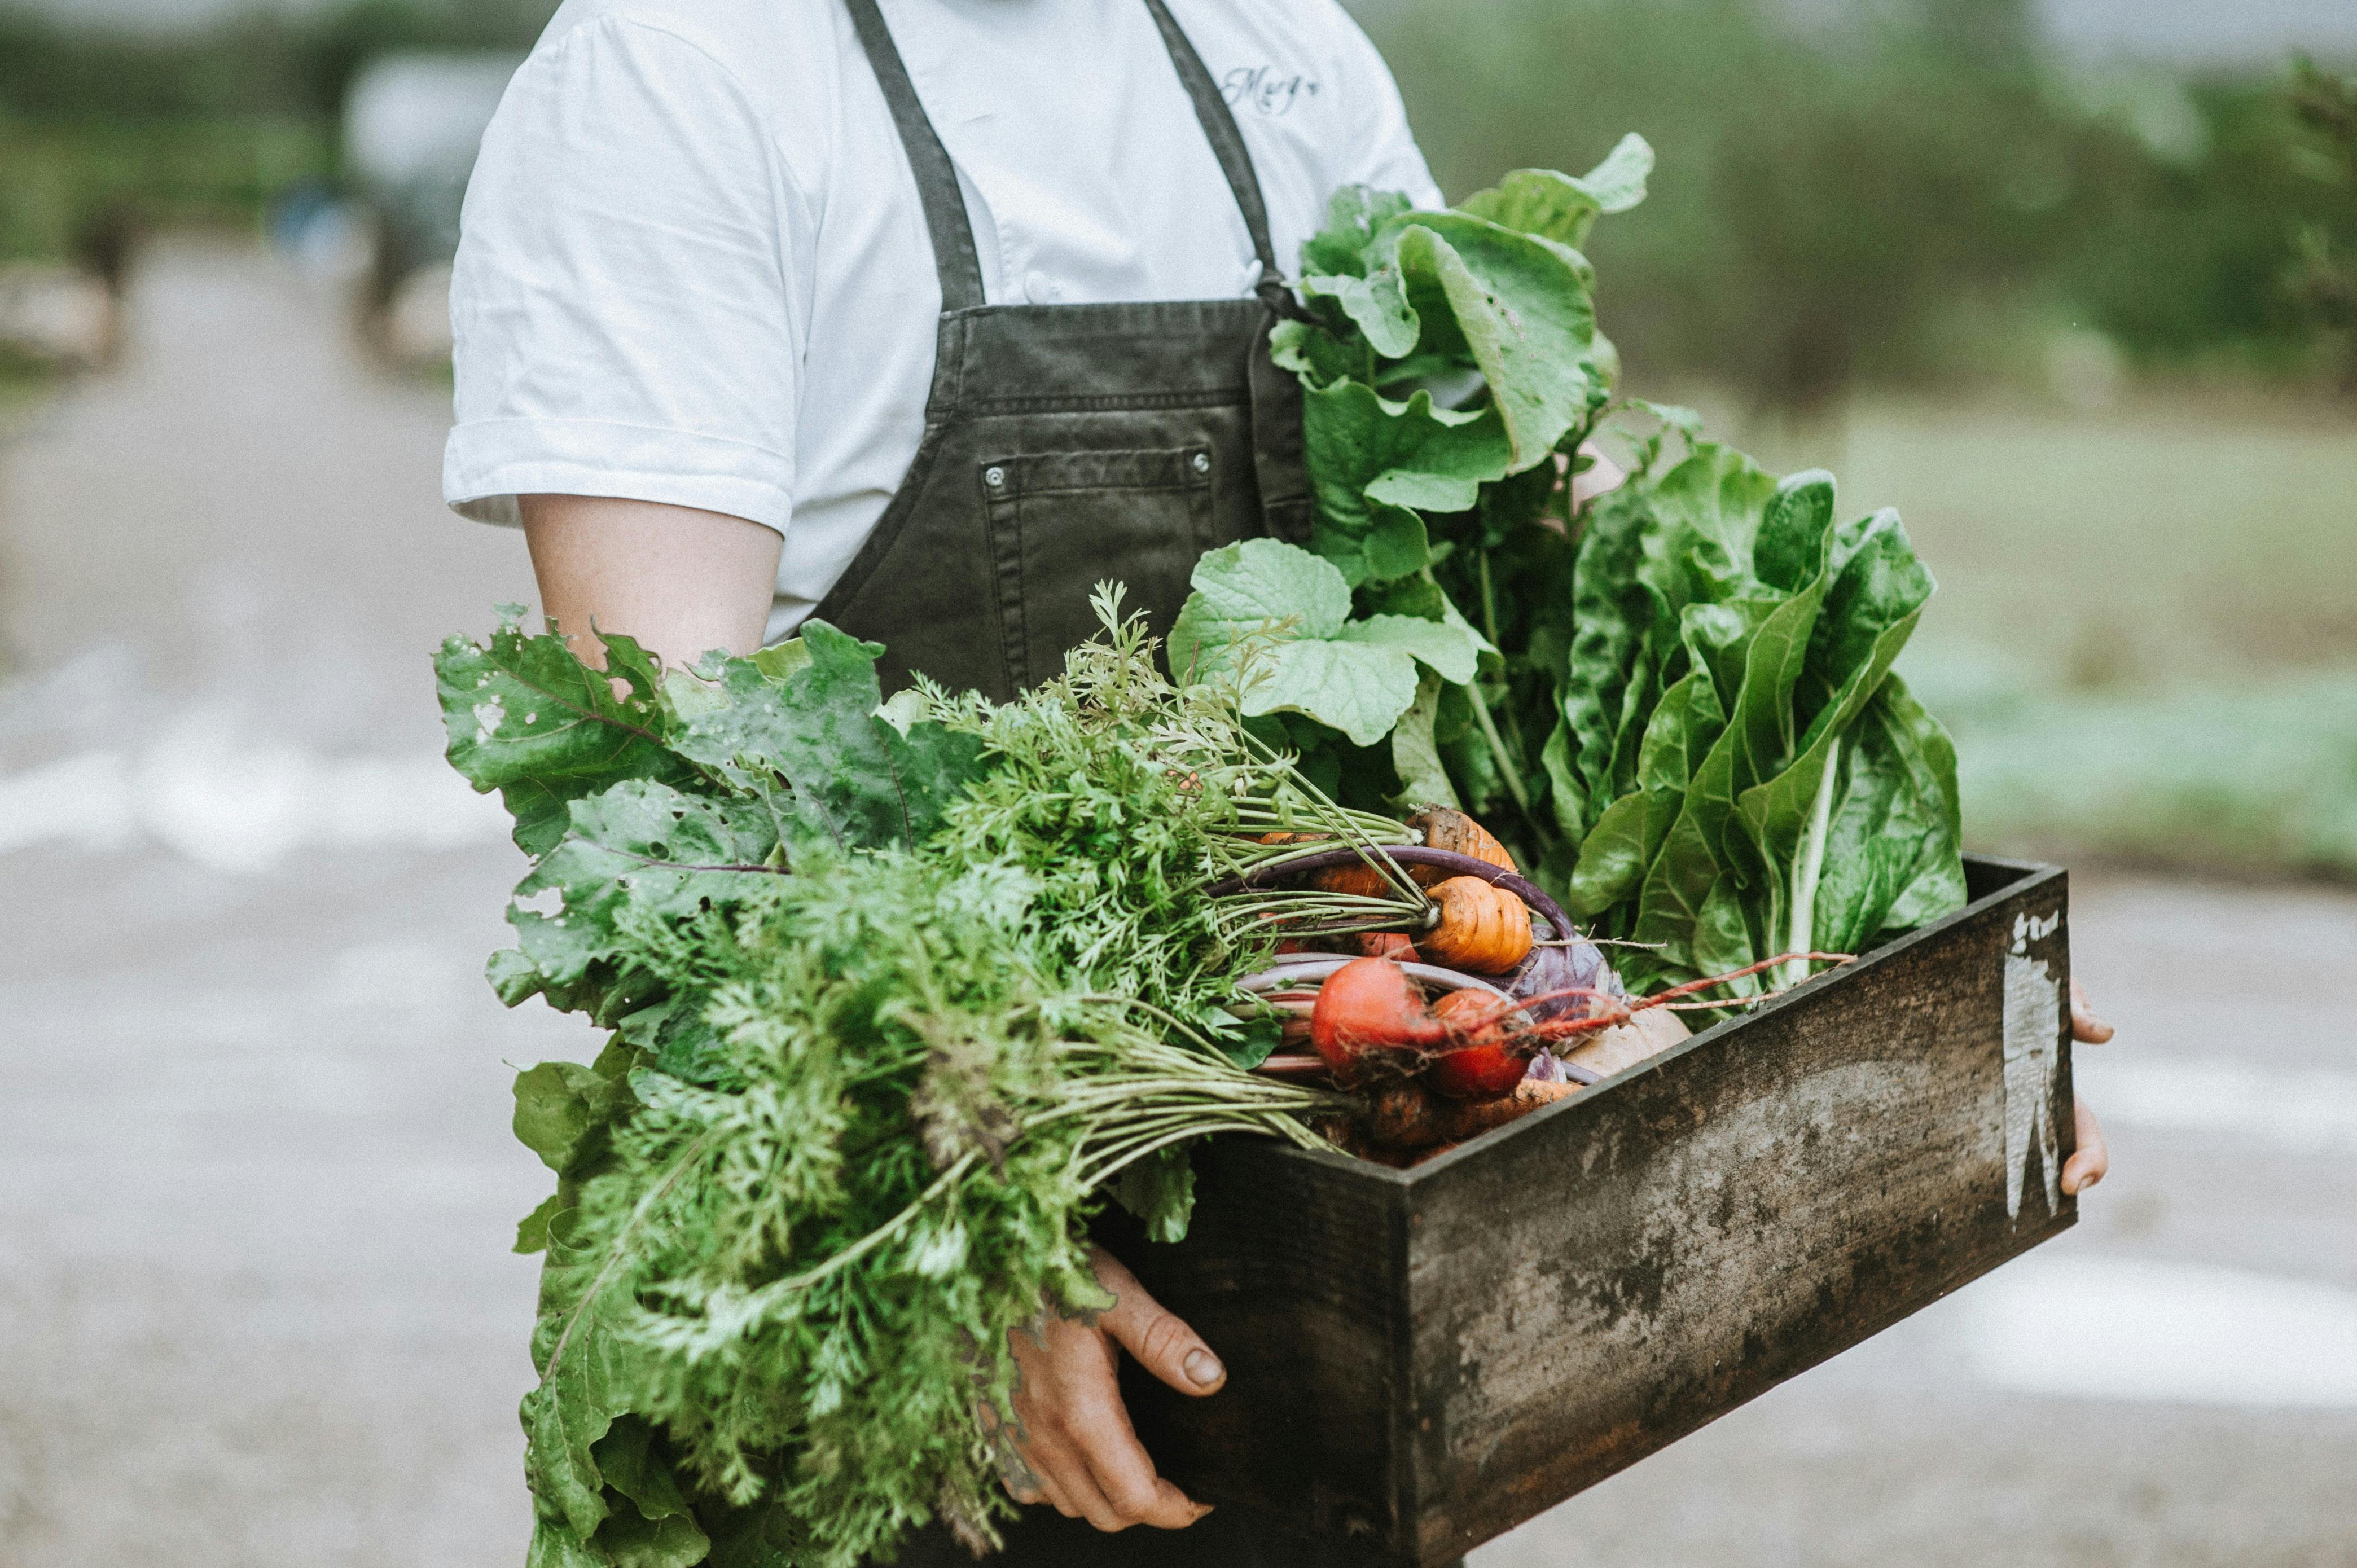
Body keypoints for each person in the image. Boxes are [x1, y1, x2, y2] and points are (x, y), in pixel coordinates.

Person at [444, 1, 2114, 1560]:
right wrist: (970, 1258)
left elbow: (1545, 516)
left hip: (1336, 1220)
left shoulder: (1270, 44)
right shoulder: (676, 74)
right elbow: (675, 781)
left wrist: (1899, 966)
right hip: (906, 1287)